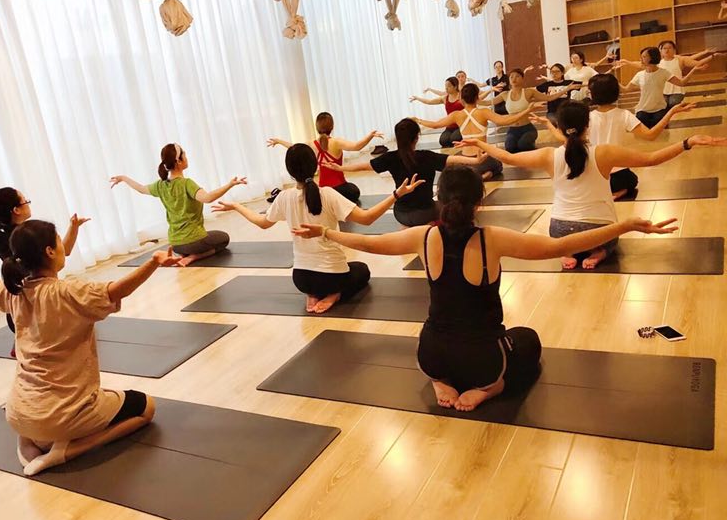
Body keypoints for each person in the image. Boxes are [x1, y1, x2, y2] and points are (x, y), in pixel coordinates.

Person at [292, 166, 679, 411]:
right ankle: (489, 389)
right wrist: (625, 226)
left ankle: (439, 381)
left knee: (447, 349)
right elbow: (560, 246)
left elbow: (369, 243)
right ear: (479, 202)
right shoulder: (493, 238)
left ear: (440, 201)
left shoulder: (423, 236)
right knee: (527, 339)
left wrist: (325, 232)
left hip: (430, 353)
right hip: (484, 361)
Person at [0, 220, 179, 475]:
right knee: (146, 407)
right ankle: (67, 451)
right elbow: (116, 291)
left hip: (18, 414)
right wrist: (154, 262)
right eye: (58, 240)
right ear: (49, 251)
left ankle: (31, 441)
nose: (62, 245)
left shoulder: (15, 292)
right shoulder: (68, 292)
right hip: (62, 417)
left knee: (84, 401)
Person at [458, 101, 726, 269]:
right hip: (599, 231)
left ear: (560, 127)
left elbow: (507, 158)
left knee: (565, 240)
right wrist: (687, 142)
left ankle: (568, 252)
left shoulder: (549, 155)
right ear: (587, 125)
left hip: (559, 231)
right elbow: (652, 159)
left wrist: (479, 142)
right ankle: (598, 252)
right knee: (607, 240)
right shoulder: (604, 153)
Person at [211, 143, 424, 313]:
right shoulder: (328, 194)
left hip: (301, 279)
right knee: (362, 270)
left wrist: (237, 206)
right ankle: (334, 295)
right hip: (333, 277)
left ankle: (313, 295)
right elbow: (367, 219)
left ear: (289, 171)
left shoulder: (283, 197)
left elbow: (262, 223)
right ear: (315, 166)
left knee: (332, 275)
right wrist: (396, 195)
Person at [0, 187, 89, 354]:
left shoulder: (4, 238)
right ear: (16, 210)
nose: (28, 204)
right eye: (26, 201)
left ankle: (24, 341)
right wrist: (74, 228)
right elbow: (64, 253)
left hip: (16, 313)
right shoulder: (31, 237)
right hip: (39, 308)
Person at [326, 118, 486, 227]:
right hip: (426, 213)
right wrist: (476, 161)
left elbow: (363, 166)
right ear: (416, 138)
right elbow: (452, 160)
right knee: (444, 206)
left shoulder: (390, 158)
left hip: (401, 214)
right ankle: (427, 227)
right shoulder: (427, 156)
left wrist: (340, 168)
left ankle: (413, 229)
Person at [110, 144, 245, 265]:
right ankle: (193, 257)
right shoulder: (187, 184)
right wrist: (230, 184)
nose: (186, 155)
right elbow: (207, 198)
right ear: (179, 161)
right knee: (223, 238)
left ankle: (185, 255)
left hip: (175, 245)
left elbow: (141, 189)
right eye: (184, 153)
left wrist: (123, 178)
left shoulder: (160, 185)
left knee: (208, 237)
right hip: (195, 243)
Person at [585, 73, 696, 199]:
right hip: (617, 178)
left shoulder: (587, 117)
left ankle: (603, 192)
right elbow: (651, 135)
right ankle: (616, 192)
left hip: (594, 176)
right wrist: (671, 112)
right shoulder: (624, 115)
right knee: (632, 180)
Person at [413, 83, 540, 180]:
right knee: (498, 165)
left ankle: (473, 176)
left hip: (466, 160)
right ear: (477, 97)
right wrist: (527, 111)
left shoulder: (456, 115)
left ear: (461, 99)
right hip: (482, 159)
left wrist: (418, 120)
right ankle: (485, 175)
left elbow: (435, 125)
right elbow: (505, 120)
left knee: (459, 168)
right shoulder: (483, 112)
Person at [268, 113, 383, 204]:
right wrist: (370, 136)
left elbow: (295, 147)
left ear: (317, 127)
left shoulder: (312, 144)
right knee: (354, 191)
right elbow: (357, 146)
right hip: (340, 188)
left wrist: (279, 141)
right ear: (332, 127)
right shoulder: (336, 142)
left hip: (322, 190)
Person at [617, 47, 705, 128]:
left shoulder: (663, 73)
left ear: (652, 58)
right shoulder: (639, 75)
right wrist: (614, 79)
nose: (641, 59)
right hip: (642, 110)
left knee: (662, 132)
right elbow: (625, 89)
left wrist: (693, 70)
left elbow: (681, 83)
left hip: (660, 109)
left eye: (644, 56)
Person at [489, 68, 574, 153]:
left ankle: (532, 148)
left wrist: (567, 89)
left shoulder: (529, 92)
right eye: (511, 77)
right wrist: (489, 90)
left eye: (517, 76)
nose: (514, 79)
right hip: (513, 129)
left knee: (523, 145)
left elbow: (549, 98)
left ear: (522, 79)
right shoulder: (504, 94)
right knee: (510, 148)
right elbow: (487, 102)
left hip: (527, 129)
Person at [620, 41, 720, 109]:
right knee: (662, 107)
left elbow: (696, 62)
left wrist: (712, 56)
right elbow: (640, 63)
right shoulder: (657, 62)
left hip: (677, 91)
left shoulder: (680, 59)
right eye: (664, 48)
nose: (667, 50)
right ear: (660, 50)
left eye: (669, 48)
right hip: (663, 91)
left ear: (674, 50)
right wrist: (627, 62)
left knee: (672, 104)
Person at [410, 76, 465, 148]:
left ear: (455, 86)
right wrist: (417, 98)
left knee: (454, 139)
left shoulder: (462, 96)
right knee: (443, 141)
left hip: (461, 125)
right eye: (445, 86)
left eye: (448, 86)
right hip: (450, 126)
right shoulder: (444, 98)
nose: (446, 88)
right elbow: (429, 102)